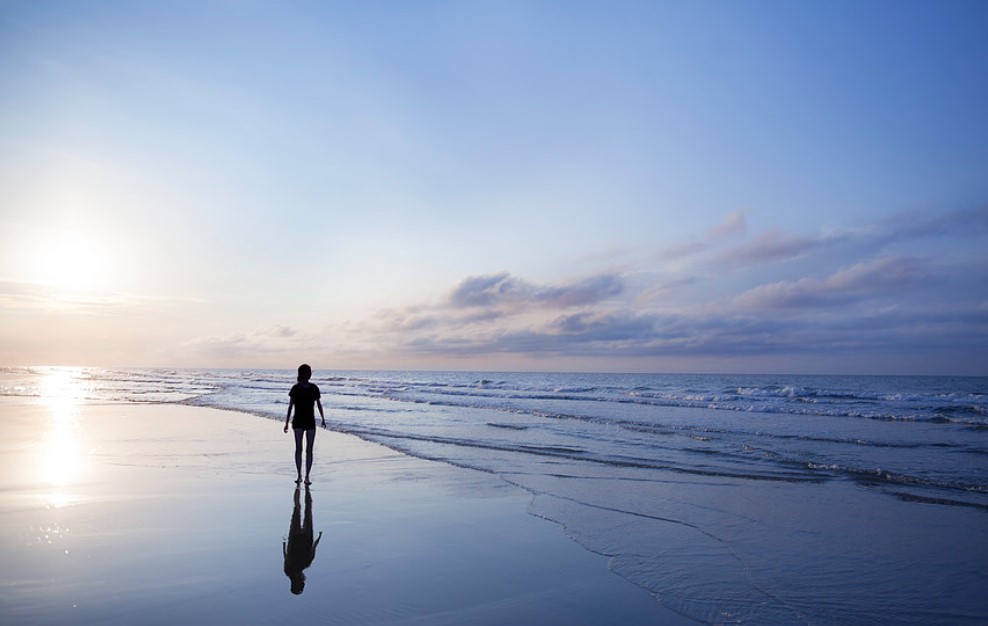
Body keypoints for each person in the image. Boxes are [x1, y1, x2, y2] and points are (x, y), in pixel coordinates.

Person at [284, 364, 325, 485]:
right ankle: (299, 475)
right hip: (298, 421)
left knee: (309, 450)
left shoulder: (314, 388)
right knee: (299, 449)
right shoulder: (295, 388)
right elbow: (290, 406)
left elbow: (318, 404)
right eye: (307, 372)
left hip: (310, 421)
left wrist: (323, 418)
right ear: (301, 373)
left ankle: (307, 476)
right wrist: (286, 423)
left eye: (310, 372)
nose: (309, 374)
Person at [283, 486, 322, 595]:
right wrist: (284, 542)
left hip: (305, 537)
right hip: (296, 537)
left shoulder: (305, 564)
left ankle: (304, 487)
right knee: (297, 509)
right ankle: (301, 486)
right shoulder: (288, 569)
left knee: (307, 509)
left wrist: (318, 539)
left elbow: (313, 550)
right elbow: (285, 554)